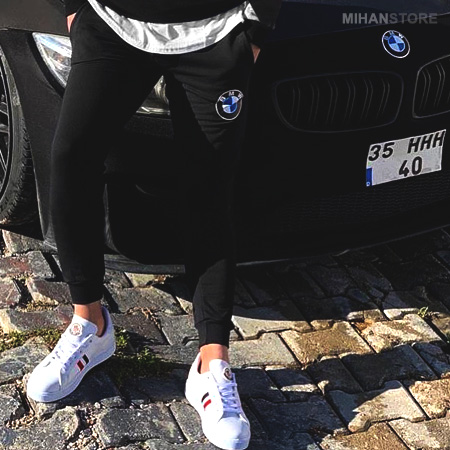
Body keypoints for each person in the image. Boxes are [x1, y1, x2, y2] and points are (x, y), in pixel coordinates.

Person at [26, 0, 281, 448]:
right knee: (71, 158)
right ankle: (90, 325)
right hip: (113, 20)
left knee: (209, 188)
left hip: (216, 29)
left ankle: (211, 362)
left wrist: (257, 25)